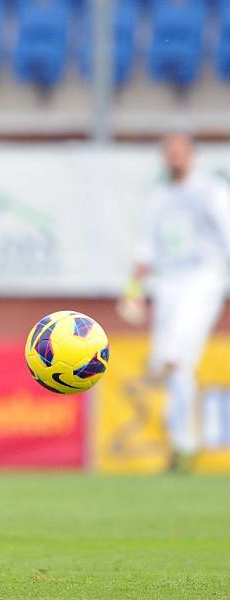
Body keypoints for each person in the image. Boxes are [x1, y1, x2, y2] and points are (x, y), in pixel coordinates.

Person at [118, 133, 230, 471]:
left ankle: (184, 446)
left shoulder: (211, 190)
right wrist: (134, 287)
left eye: (181, 151)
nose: (174, 157)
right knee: (166, 367)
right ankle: (180, 445)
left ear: (192, 155)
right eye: (170, 151)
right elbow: (147, 247)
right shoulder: (159, 197)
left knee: (177, 359)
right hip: (168, 286)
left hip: (203, 281)